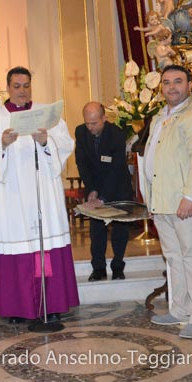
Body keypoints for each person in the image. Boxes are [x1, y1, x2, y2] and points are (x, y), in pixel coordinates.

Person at [0, 67, 79, 324]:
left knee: (46, 246)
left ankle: (51, 305)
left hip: (44, 192)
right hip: (12, 196)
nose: (22, 91)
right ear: (7, 88)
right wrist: (2, 144)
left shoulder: (47, 114)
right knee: (16, 245)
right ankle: (18, 307)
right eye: (17, 86)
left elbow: (65, 144)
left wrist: (45, 142)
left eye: (26, 85)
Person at [139, 64, 192, 339]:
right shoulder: (161, 116)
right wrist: (151, 198)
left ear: (190, 85)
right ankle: (180, 308)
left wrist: (190, 197)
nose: (171, 87)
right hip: (163, 200)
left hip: (184, 202)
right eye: (167, 82)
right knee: (173, 257)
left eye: (178, 81)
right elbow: (153, 159)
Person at [75, 102, 133, 281]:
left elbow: (116, 168)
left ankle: (117, 266)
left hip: (117, 187)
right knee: (96, 229)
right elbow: (82, 163)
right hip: (95, 185)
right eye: (87, 123)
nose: (90, 127)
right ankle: (98, 268)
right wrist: (91, 189)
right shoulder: (80, 132)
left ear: (104, 118)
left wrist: (103, 196)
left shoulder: (116, 134)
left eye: (94, 123)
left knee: (120, 230)